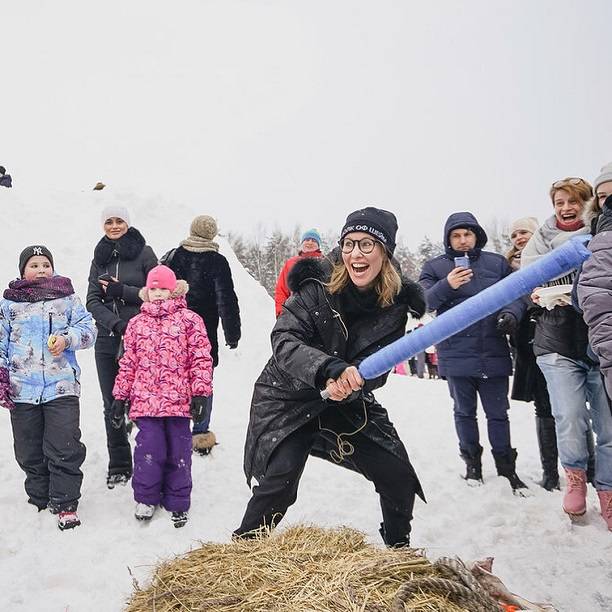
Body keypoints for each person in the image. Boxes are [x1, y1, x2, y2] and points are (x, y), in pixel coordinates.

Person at [234, 207, 426, 547]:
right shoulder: (316, 284)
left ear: (385, 252)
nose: (356, 254)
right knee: (278, 483)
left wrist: (355, 384)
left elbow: (379, 365)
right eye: (350, 243)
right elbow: (284, 340)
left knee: (396, 474)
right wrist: (328, 370)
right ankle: (239, 555)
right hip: (288, 393)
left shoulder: (395, 305)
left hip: (343, 399)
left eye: (367, 244)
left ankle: (399, 552)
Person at [419, 212, 529, 494]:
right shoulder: (435, 267)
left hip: (493, 350)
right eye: (456, 235)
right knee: (464, 413)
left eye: (467, 234)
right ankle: (472, 466)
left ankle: (507, 469)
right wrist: (448, 284)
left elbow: (517, 295)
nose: (463, 240)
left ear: (477, 235)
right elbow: (422, 302)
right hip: (455, 353)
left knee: (498, 414)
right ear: (448, 240)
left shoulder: (497, 263)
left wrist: (510, 315)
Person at [522, 176, 611, 523]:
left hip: (598, 339)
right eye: (559, 202)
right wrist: (533, 297)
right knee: (570, 416)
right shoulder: (539, 243)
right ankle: (575, 478)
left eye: (573, 201)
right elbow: (523, 283)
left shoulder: (599, 236)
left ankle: (607, 490)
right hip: (555, 340)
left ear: (589, 203)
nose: (566, 208)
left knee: (607, 425)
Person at [0, 246, 96, 530]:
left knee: (64, 446)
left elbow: (89, 330)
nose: (41, 270)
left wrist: (68, 339)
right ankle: (39, 496)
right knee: (28, 450)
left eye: (45, 265)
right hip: (22, 389)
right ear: (23, 271)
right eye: (34, 265)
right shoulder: (9, 304)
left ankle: (65, 503)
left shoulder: (66, 298)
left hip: (60, 386)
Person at [111, 265, 213, 527]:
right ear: (147, 290)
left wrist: (200, 393)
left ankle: (178, 500)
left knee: (179, 451)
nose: (157, 293)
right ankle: (146, 497)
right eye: (153, 288)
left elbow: (200, 359)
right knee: (149, 450)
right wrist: (120, 396)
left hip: (178, 401)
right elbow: (128, 362)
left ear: (173, 290)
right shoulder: (136, 324)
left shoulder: (190, 321)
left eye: (163, 288)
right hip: (145, 402)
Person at [86, 206, 158, 488]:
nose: (114, 226)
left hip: (141, 338)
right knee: (110, 403)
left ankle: (148, 460)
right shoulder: (99, 256)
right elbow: (92, 299)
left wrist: (122, 292)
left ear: (128, 223)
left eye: (119, 221)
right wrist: (116, 325)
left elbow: (157, 293)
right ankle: (119, 463)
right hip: (108, 338)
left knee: (142, 401)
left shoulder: (144, 253)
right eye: (109, 221)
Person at [163, 215, 241, 456]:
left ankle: (174, 426)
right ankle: (200, 432)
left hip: (173, 331)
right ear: (212, 234)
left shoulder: (174, 256)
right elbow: (225, 298)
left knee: (174, 378)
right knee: (202, 380)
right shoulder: (217, 261)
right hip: (204, 333)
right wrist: (232, 332)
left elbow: (161, 291)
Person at [505, 217, 560, 491]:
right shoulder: (509, 269)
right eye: (514, 234)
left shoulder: (552, 258)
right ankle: (550, 471)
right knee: (544, 407)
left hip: (558, 338)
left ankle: (588, 468)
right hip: (528, 345)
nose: (519, 237)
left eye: (524, 231)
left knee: (572, 408)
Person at [274, 228, 323, 316]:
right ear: (302, 243)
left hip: (320, 313)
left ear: (318, 245)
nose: (310, 242)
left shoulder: (325, 263)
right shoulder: (291, 263)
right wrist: (281, 313)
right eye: (307, 239)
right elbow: (282, 290)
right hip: (295, 312)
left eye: (314, 240)